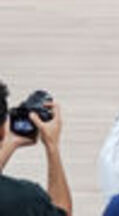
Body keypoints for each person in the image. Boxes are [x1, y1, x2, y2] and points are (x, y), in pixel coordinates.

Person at [0, 81, 69, 215]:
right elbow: (62, 212)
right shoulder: (25, 199)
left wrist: (9, 143)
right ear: (2, 131)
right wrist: (52, 146)